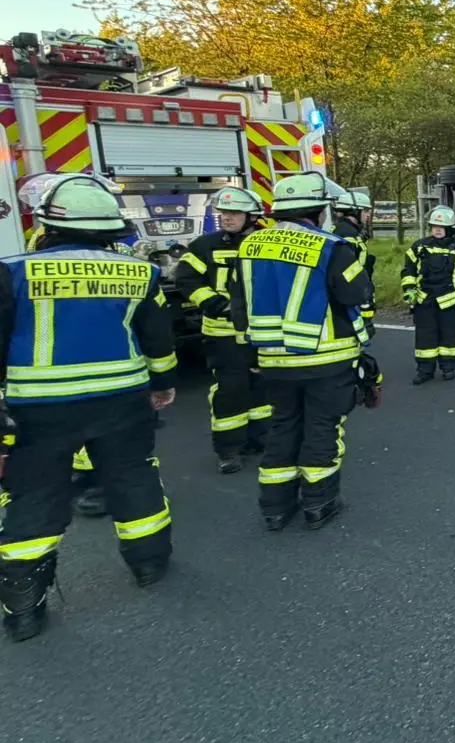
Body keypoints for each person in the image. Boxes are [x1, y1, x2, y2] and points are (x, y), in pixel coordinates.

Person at [0, 174, 179, 641]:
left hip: (39, 407)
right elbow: (157, 338)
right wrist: (163, 383)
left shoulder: (11, 271)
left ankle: (24, 606)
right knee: (133, 477)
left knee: (36, 494)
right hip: (122, 399)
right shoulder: (139, 272)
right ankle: (149, 564)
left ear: (46, 225)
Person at [230, 173, 374, 531]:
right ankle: (319, 503)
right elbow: (357, 293)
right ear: (319, 211)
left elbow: (240, 304)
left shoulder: (249, 247)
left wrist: (250, 356)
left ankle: (275, 508)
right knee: (322, 428)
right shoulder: (332, 247)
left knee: (283, 425)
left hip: (272, 360)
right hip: (326, 358)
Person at [173, 186, 272, 476]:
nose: (226, 218)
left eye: (234, 213)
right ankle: (229, 450)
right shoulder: (205, 245)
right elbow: (186, 279)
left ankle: (260, 439)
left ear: (252, 216)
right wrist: (214, 303)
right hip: (223, 333)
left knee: (262, 387)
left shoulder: (268, 242)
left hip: (262, 331)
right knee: (231, 391)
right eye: (224, 212)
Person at [401, 206, 455, 384]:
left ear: (450, 228)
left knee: (450, 335)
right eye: (434, 226)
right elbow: (408, 270)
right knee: (424, 337)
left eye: (441, 227)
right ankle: (424, 370)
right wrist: (409, 289)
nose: (436, 229)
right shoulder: (419, 246)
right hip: (424, 300)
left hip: (451, 301)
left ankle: (448, 367)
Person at [331, 190, 377, 326]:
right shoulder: (346, 233)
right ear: (354, 211)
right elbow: (345, 268)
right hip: (351, 293)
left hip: (354, 290)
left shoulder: (348, 230)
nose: (368, 215)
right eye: (365, 211)